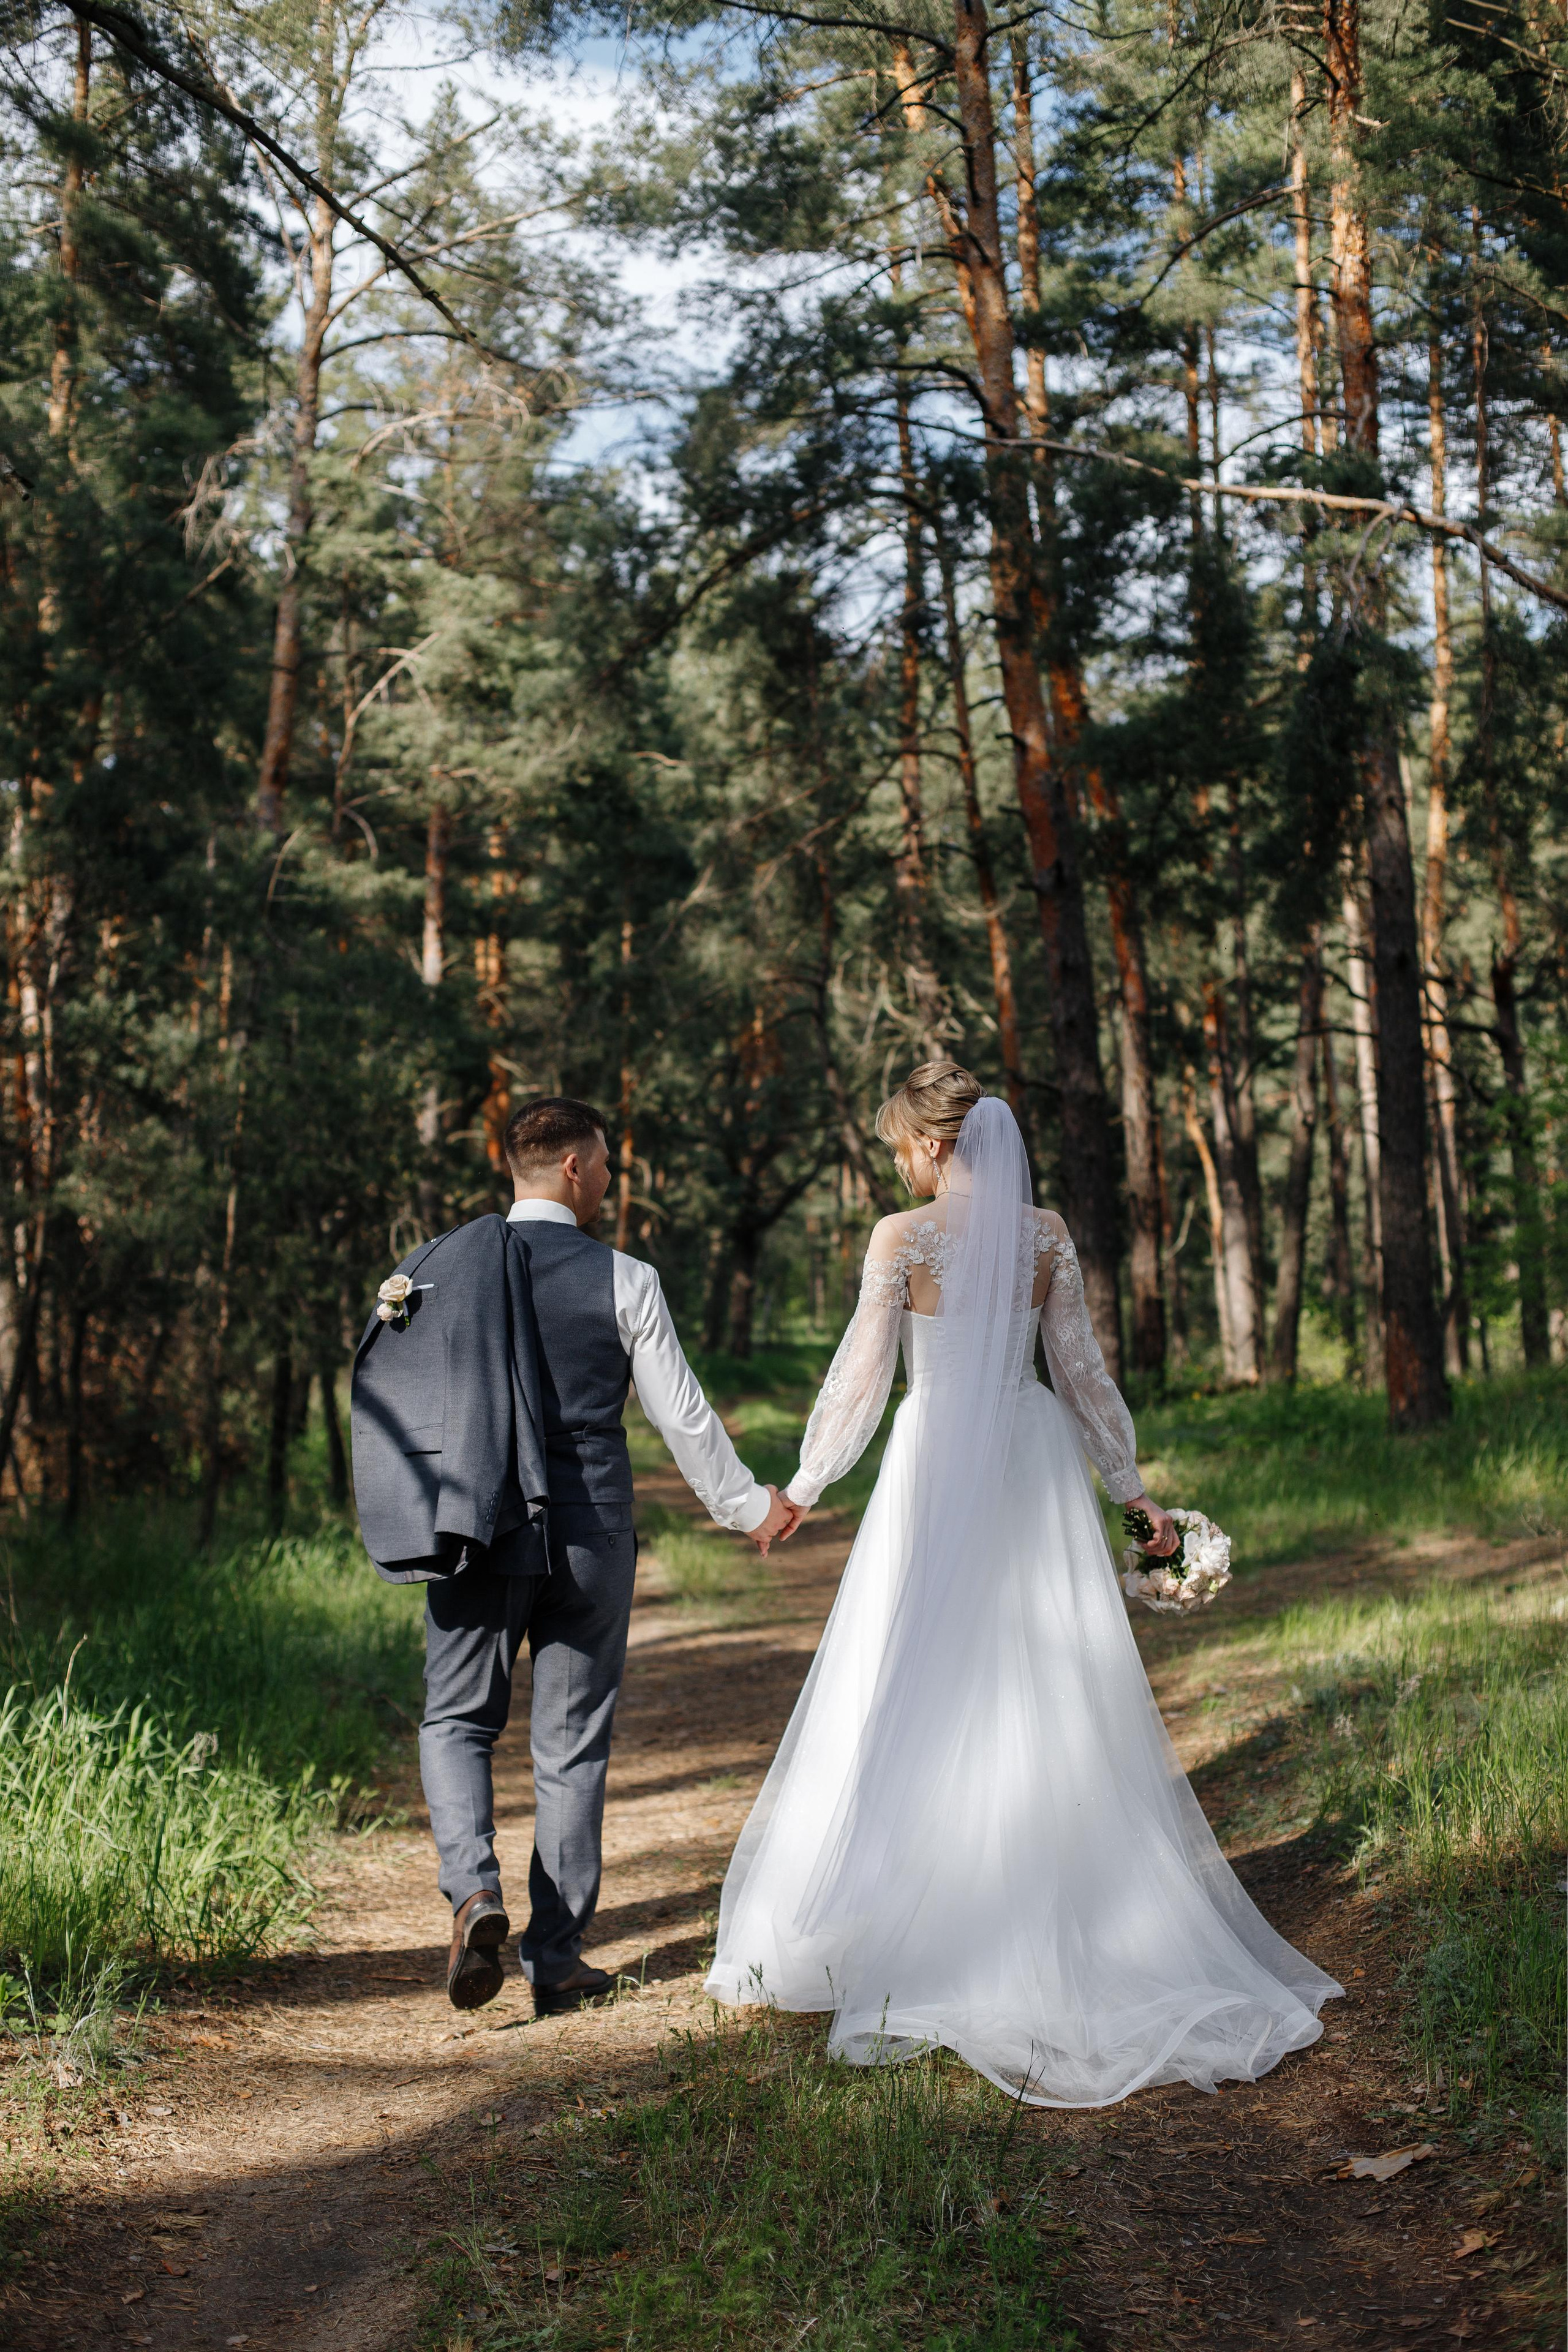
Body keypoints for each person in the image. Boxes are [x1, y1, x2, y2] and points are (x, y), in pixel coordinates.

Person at [707, 1062, 1340, 2106]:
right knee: (1044, 1676)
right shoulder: (1046, 1236)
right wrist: (1134, 1496)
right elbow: (1081, 1373)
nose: (902, 1168)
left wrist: (806, 1487)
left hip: (934, 1457)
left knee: (916, 1669)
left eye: (902, 1150)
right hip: (1029, 1456)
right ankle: (1057, 1902)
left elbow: (861, 1376)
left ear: (933, 1144)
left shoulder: (900, 1239)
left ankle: (923, 1914)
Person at [353, 1096, 793, 2016]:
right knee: (572, 1744)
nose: (609, 1182)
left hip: (478, 1526)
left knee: (457, 1720)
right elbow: (682, 1416)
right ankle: (555, 1961)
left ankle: (474, 1894)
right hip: (591, 1531)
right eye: (604, 1166)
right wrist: (749, 1507)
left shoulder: (437, 1270)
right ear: (572, 1167)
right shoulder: (624, 1277)